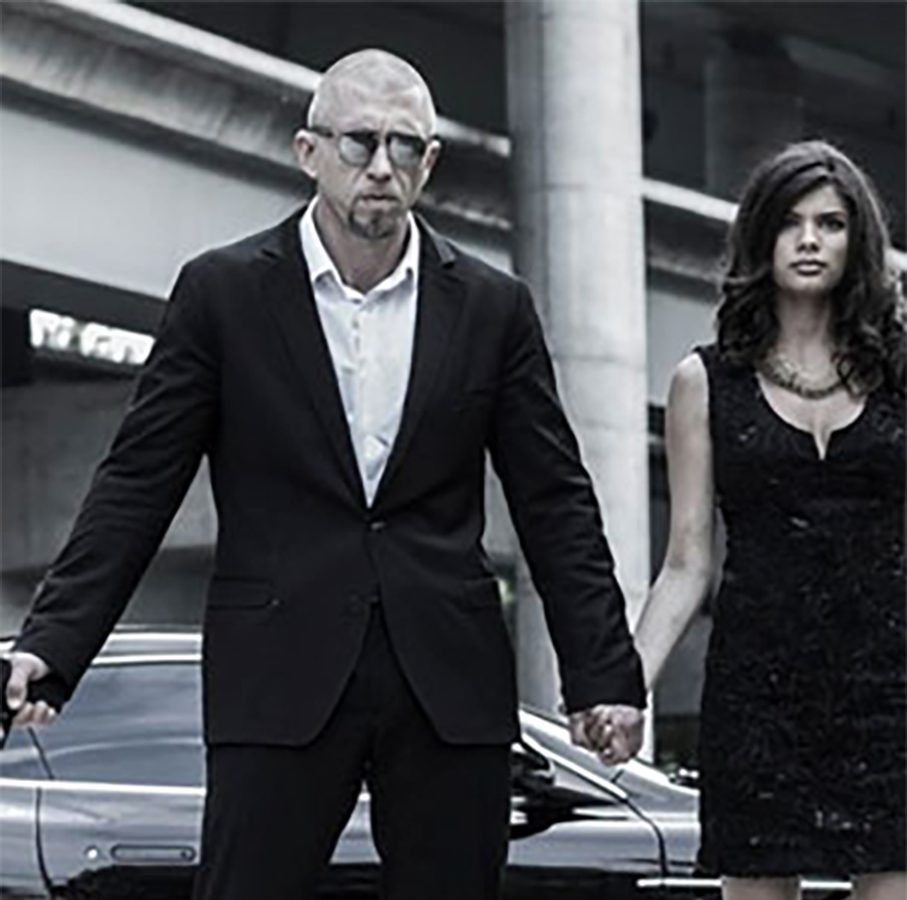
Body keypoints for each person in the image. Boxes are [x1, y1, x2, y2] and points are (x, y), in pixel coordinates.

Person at [1, 49, 645, 899]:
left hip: (446, 681)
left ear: (429, 163)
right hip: (277, 670)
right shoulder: (223, 293)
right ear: (308, 151)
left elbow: (553, 499)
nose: (381, 166)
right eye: (359, 141)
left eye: (404, 146)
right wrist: (53, 644)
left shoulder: (493, 307)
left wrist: (601, 675)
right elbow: (138, 481)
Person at [633, 140, 905, 897]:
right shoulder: (704, 381)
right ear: (761, 236)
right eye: (790, 222)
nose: (809, 240)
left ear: (857, 242)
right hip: (758, 691)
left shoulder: (900, 372)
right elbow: (686, 561)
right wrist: (628, 684)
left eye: (830, 223)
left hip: (890, 687)